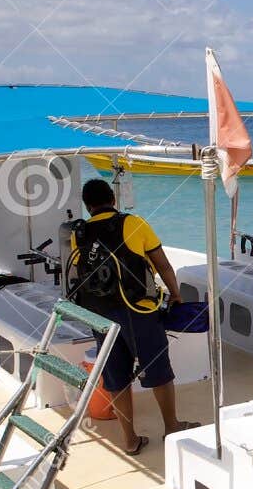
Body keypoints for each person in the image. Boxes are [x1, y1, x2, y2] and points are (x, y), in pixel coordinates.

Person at [67, 178, 194, 454]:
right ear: (113, 198)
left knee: (116, 377)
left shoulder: (79, 233)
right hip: (138, 311)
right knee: (158, 371)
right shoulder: (133, 223)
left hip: (100, 315)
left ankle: (130, 440)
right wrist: (175, 294)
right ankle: (171, 426)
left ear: (88, 206)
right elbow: (163, 265)